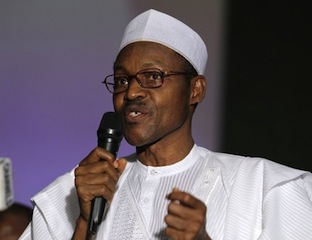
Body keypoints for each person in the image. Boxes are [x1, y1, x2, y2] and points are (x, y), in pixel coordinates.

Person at [20, 9, 312, 240]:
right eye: (122, 80)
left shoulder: (264, 188)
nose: (131, 92)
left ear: (195, 90)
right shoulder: (70, 193)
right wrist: (85, 222)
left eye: (153, 77)